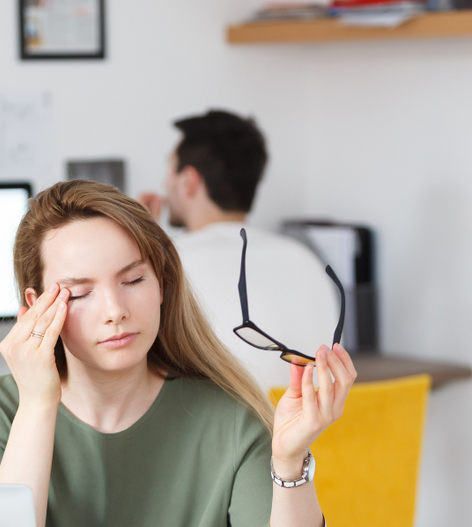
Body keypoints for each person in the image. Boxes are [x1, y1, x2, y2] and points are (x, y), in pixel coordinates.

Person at [0, 180, 356, 527]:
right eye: (81, 292)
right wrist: (36, 403)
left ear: (161, 283)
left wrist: (290, 462)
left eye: (133, 279)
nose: (115, 310)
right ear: (36, 306)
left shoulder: (226, 415)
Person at [140, 110, 340, 390]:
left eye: (170, 169)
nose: (164, 184)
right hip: (325, 430)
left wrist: (140, 240)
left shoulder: (172, 261)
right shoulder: (305, 257)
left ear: (189, 181)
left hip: (240, 429)